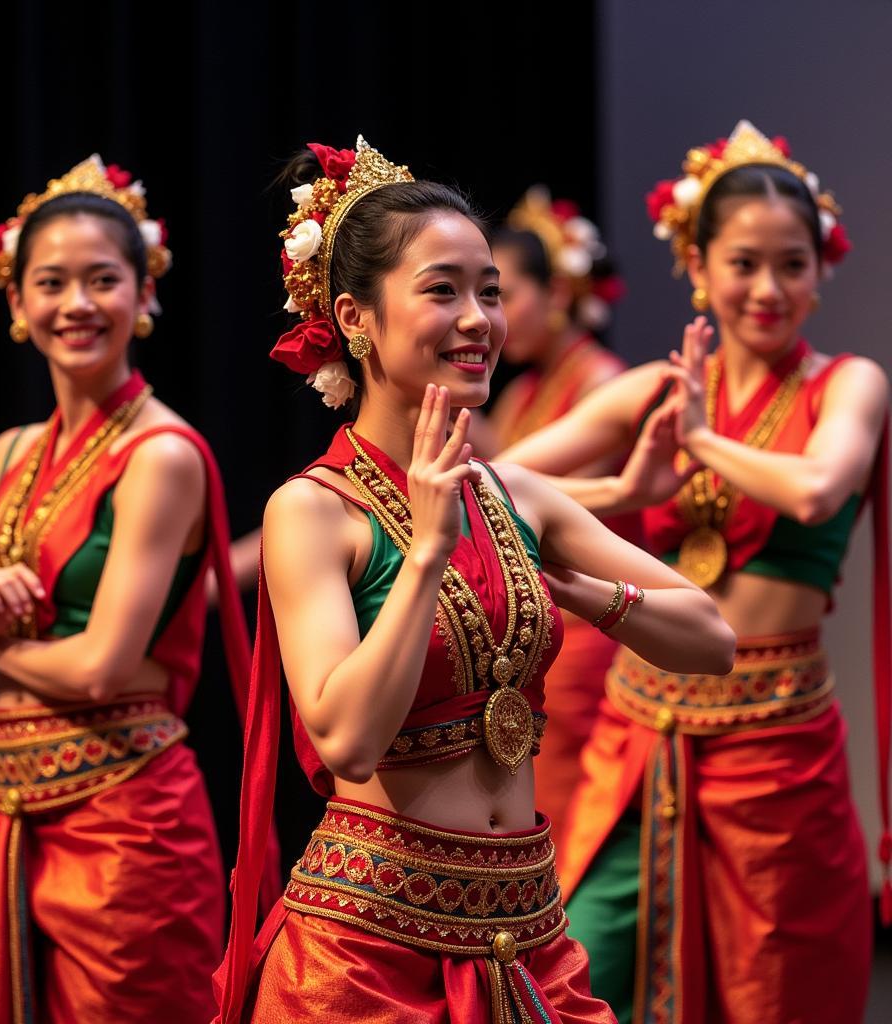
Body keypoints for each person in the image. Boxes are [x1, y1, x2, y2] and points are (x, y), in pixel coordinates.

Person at [212, 136, 735, 1024]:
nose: (478, 318)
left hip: (527, 933)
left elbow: (711, 638)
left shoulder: (517, 493)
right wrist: (422, 555)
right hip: (368, 950)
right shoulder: (313, 512)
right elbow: (346, 740)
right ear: (355, 317)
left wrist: (588, 595)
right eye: (442, 290)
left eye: (489, 291)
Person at [500, 121, 890, 1024]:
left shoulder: (848, 385)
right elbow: (501, 478)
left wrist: (706, 440)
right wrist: (627, 485)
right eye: (743, 263)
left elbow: (818, 490)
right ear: (699, 266)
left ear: (821, 271)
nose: (767, 288)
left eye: (792, 264)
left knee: (776, 989)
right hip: (638, 734)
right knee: (586, 969)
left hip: (777, 741)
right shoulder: (650, 393)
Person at [0, 156, 254, 1024]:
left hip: (125, 828)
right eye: (51, 282)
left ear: (144, 295)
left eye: (102, 280)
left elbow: (100, 669)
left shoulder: (161, 457)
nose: (76, 304)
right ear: (16, 303)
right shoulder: (8, 454)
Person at [487, 189, 634, 839]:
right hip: (539, 631)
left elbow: (558, 515)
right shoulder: (520, 391)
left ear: (560, 293)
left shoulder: (601, 381)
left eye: (503, 294)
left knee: (567, 824)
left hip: (586, 630)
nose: (495, 315)